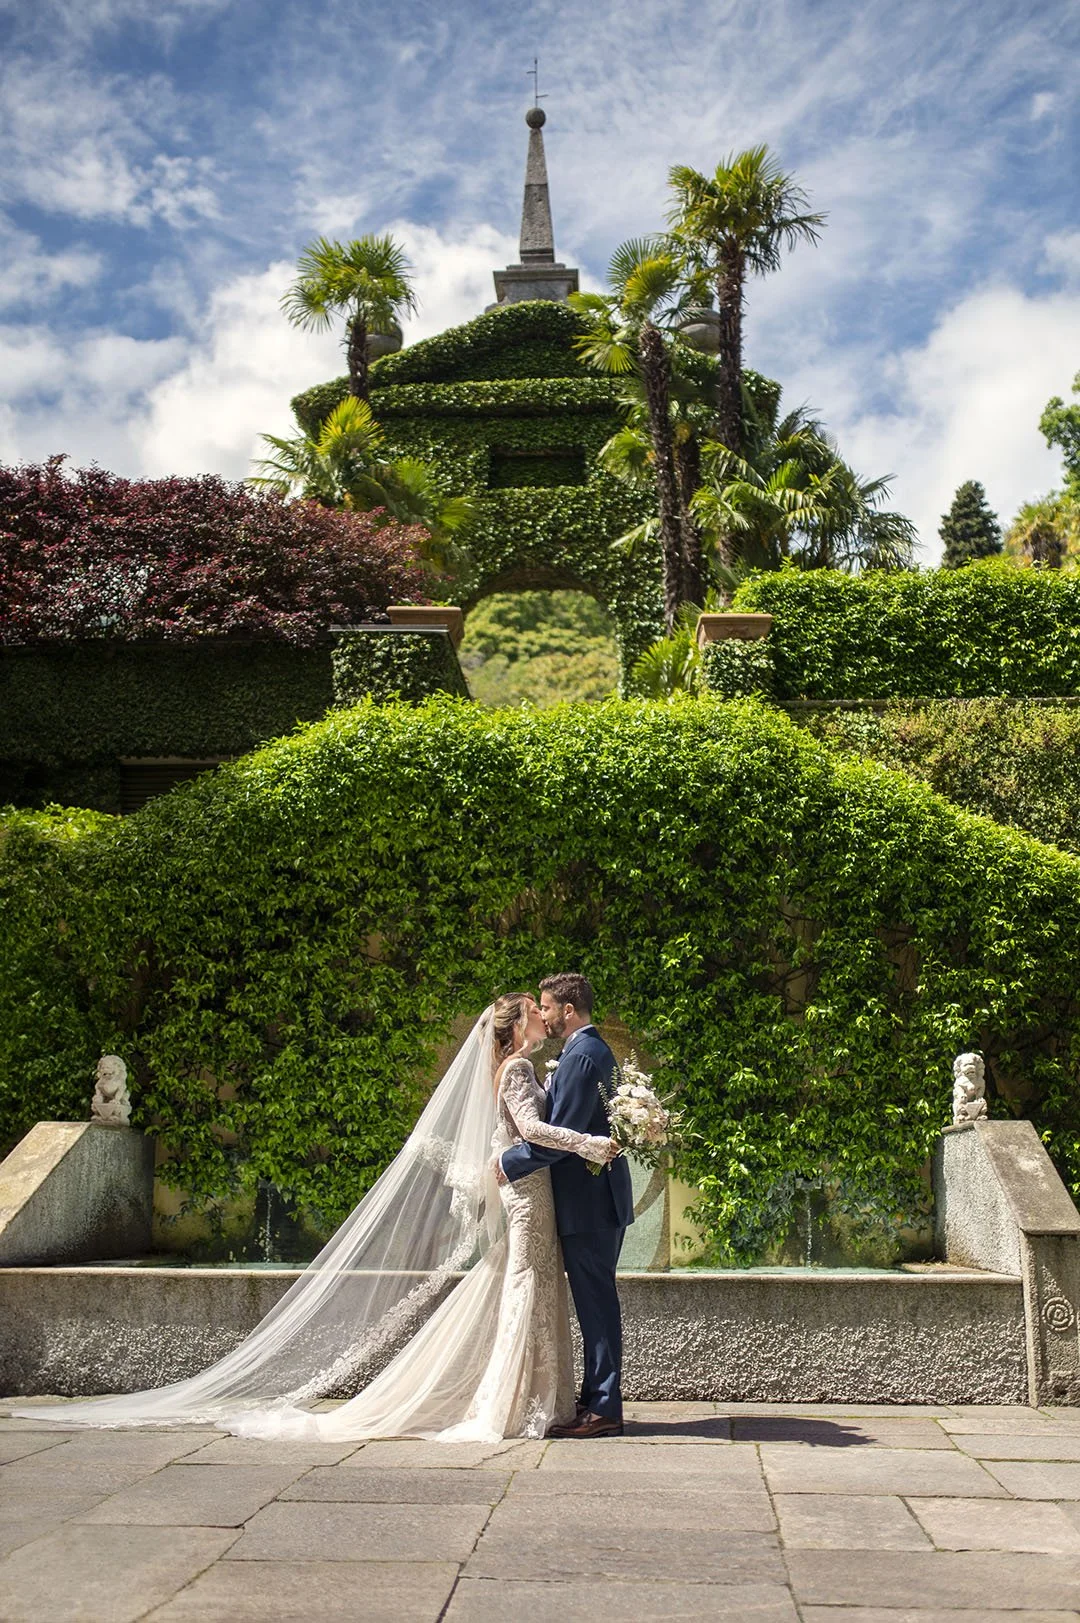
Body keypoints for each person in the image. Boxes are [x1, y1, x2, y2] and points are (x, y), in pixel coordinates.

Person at [12, 987, 622, 1443]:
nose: (543, 1018)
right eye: (534, 1012)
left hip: (532, 1191)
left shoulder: (527, 1066)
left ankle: (537, 1399)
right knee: (524, 1285)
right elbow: (537, 1130)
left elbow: (528, 1130)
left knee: (532, 1287)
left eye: (547, 1009)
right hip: (527, 1193)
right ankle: (518, 1404)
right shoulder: (518, 1068)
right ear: (518, 1025)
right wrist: (592, 1144)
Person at [499, 973, 634, 1438]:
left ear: (569, 1011)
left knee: (596, 1305)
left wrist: (509, 1160)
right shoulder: (590, 1050)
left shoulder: (579, 1057)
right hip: (595, 1201)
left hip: (588, 1204)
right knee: (596, 1302)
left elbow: (560, 1138)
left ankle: (603, 1407)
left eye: (548, 1008)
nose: (544, 1015)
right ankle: (596, 1397)